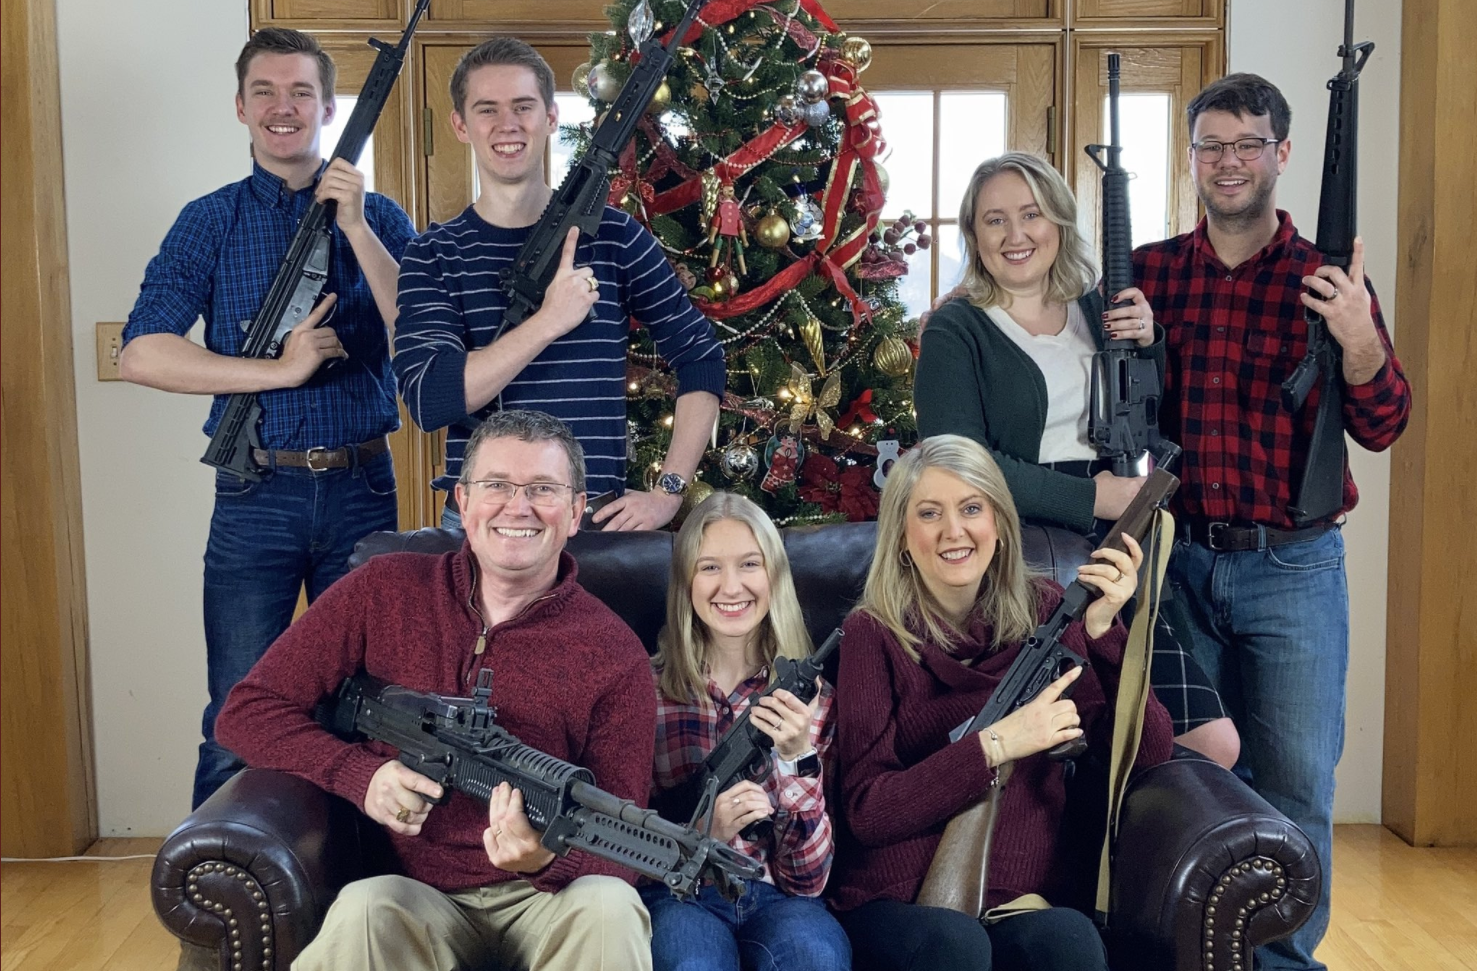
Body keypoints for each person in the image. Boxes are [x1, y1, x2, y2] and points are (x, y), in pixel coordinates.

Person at [1131, 74, 1410, 971]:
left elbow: (1385, 423)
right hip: (1180, 561)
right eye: (1210, 145)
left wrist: (1360, 338)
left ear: (1281, 155)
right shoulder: (1153, 272)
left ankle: (1284, 963)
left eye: (1247, 144)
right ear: (1191, 157)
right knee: (1197, 774)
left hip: (1294, 569)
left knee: (1293, 783)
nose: (1227, 162)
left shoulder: (1324, 281)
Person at [214, 410, 656, 971]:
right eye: (497, 486)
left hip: (549, 900)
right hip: (412, 894)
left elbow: (625, 831)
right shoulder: (383, 590)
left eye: (542, 489)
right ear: (464, 503)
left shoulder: (614, 651)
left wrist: (546, 858)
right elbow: (247, 712)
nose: (517, 507)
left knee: (610, 906)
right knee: (364, 909)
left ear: (574, 512)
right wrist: (359, 775)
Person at [119, 27, 416, 809]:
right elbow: (142, 353)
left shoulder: (379, 214)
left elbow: (423, 341)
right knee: (237, 713)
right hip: (257, 497)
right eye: (266, 93)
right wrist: (277, 371)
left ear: (326, 108)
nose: (283, 109)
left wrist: (354, 225)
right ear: (241, 107)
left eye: (301, 93)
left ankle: (359, 905)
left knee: (372, 711)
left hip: (362, 490)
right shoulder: (208, 221)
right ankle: (213, 926)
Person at [913, 151, 1238, 768]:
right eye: (994, 220)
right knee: (1062, 743)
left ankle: (1132, 860)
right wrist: (1093, 498)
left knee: (1206, 740)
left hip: (1119, 543)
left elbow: (1139, 417)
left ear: (1058, 222)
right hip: (1023, 555)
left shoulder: (1096, 310)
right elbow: (956, 463)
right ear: (974, 235)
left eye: (1031, 214)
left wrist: (1151, 343)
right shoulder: (956, 330)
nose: (1015, 235)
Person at [827, 434, 1174, 971]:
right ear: (900, 534)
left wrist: (1106, 633)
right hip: (895, 897)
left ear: (999, 523)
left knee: (1070, 941)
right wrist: (995, 745)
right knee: (955, 947)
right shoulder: (872, 634)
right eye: (929, 513)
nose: (954, 530)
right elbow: (868, 812)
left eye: (971, 508)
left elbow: (1149, 753)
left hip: (1019, 895)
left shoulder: (1052, 611)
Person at [393, 37, 724, 531]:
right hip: (485, 524)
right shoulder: (433, 254)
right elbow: (431, 399)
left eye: (523, 106)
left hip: (592, 519)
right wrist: (548, 321)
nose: (508, 124)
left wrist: (667, 493)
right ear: (460, 125)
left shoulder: (616, 237)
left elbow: (701, 357)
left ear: (550, 117)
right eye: (488, 109)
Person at [645, 492, 850, 971]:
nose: (731, 586)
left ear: (774, 576)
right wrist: (701, 831)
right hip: (681, 893)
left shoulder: (814, 700)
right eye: (710, 567)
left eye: (749, 564)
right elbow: (619, 839)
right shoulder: (648, 691)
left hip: (779, 897)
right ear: (686, 583)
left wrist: (797, 759)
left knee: (814, 956)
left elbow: (808, 881)